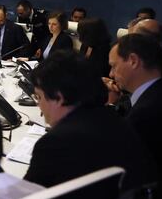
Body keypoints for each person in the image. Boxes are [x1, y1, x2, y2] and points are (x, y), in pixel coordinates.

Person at [24, 51, 152, 190]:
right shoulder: (114, 118)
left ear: (59, 98)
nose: (39, 106)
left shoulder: (54, 144)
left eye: (39, 97)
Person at [104, 34, 162, 195]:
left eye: (114, 66)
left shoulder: (149, 111)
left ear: (133, 61)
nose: (111, 74)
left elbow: (116, 160)